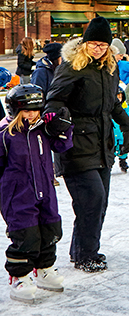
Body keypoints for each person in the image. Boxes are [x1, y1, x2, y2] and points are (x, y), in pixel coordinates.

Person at [43, 16, 129, 272]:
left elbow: (113, 102)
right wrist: (59, 122)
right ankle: (87, 254)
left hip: (102, 142)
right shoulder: (72, 66)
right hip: (76, 144)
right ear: (84, 43)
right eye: (93, 43)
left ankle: (81, 250)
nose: (98, 48)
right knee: (91, 199)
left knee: (99, 201)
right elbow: (53, 100)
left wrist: (127, 125)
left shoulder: (110, 68)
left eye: (102, 44)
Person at [0, 84, 72, 302]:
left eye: (35, 109)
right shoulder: (6, 134)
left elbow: (62, 146)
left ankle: (44, 269)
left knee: (50, 230)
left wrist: (64, 127)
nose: (31, 114)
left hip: (46, 191)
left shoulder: (43, 129)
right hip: (18, 195)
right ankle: (19, 276)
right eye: (25, 110)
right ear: (14, 110)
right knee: (26, 236)